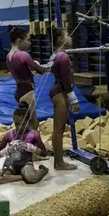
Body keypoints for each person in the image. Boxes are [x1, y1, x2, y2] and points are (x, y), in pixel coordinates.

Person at [0, 103, 49, 184]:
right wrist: (7, 150)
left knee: (31, 177)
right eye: (16, 124)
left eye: (23, 124)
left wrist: (30, 147)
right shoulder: (9, 134)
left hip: (26, 165)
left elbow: (44, 153)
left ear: (29, 122)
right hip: (12, 166)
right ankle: (23, 177)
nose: (19, 127)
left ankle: (43, 170)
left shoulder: (34, 134)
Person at [48, 27, 78, 170]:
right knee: (58, 129)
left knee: (57, 129)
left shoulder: (57, 55)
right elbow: (66, 80)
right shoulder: (63, 57)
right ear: (61, 39)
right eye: (68, 35)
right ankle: (59, 163)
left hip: (58, 91)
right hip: (60, 92)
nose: (71, 38)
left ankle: (58, 162)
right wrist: (73, 98)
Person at [7, 25, 50, 118]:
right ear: (19, 41)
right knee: (33, 121)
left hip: (19, 91)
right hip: (27, 91)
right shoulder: (23, 55)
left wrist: (31, 71)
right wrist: (53, 64)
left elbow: (20, 71)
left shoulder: (8, 56)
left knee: (24, 121)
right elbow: (41, 70)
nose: (29, 43)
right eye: (28, 40)